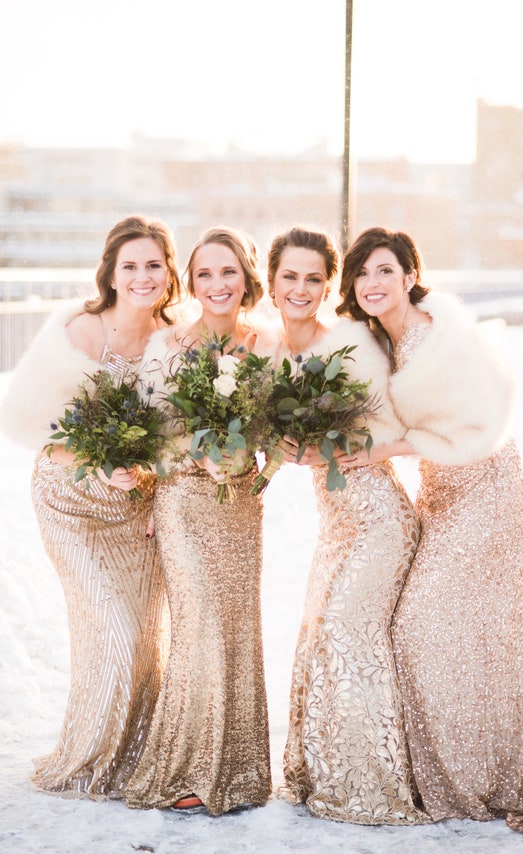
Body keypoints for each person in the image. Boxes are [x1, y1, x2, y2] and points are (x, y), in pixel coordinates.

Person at [336, 226, 523, 837]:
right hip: (440, 490)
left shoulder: (439, 335)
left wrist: (388, 448)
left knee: (425, 625)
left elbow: (480, 419)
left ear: (411, 275)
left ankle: (473, 774)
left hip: (485, 486)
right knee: (446, 633)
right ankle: (447, 771)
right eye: (362, 274)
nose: (373, 283)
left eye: (385, 270)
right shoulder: (379, 343)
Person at [0, 215, 183, 799]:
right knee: (109, 623)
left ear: (169, 271)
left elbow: (177, 436)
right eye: (130, 265)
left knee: (143, 635)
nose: (142, 276)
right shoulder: (80, 330)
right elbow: (30, 421)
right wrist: (96, 464)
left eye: (153, 264)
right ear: (110, 272)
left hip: (136, 506)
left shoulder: (173, 341)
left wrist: (156, 484)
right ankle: (88, 756)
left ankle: (134, 755)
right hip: (70, 499)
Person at [259, 226, 427, 825]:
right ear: (271, 281)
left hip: (379, 516)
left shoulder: (351, 343)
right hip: (335, 522)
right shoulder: (264, 352)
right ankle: (324, 773)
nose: (300, 289)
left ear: (329, 285)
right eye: (289, 277)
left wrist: (334, 444)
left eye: (313, 278)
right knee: (317, 637)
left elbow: (393, 423)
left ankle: (370, 785)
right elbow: (260, 438)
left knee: (347, 634)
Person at [124, 226, 272, 816]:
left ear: (246, 278)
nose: (216, 284)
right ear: (191, 281)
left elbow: (271, 440)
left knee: (237, 628)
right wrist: (191, 456)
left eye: (228, 272)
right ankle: (187, 765)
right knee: (200, 624)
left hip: (239, 508)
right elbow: (148, 440)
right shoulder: (166, 345)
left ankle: (239, 768)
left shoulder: (264, 348)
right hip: (182, 504)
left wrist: (252, 467)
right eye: (205, 274)